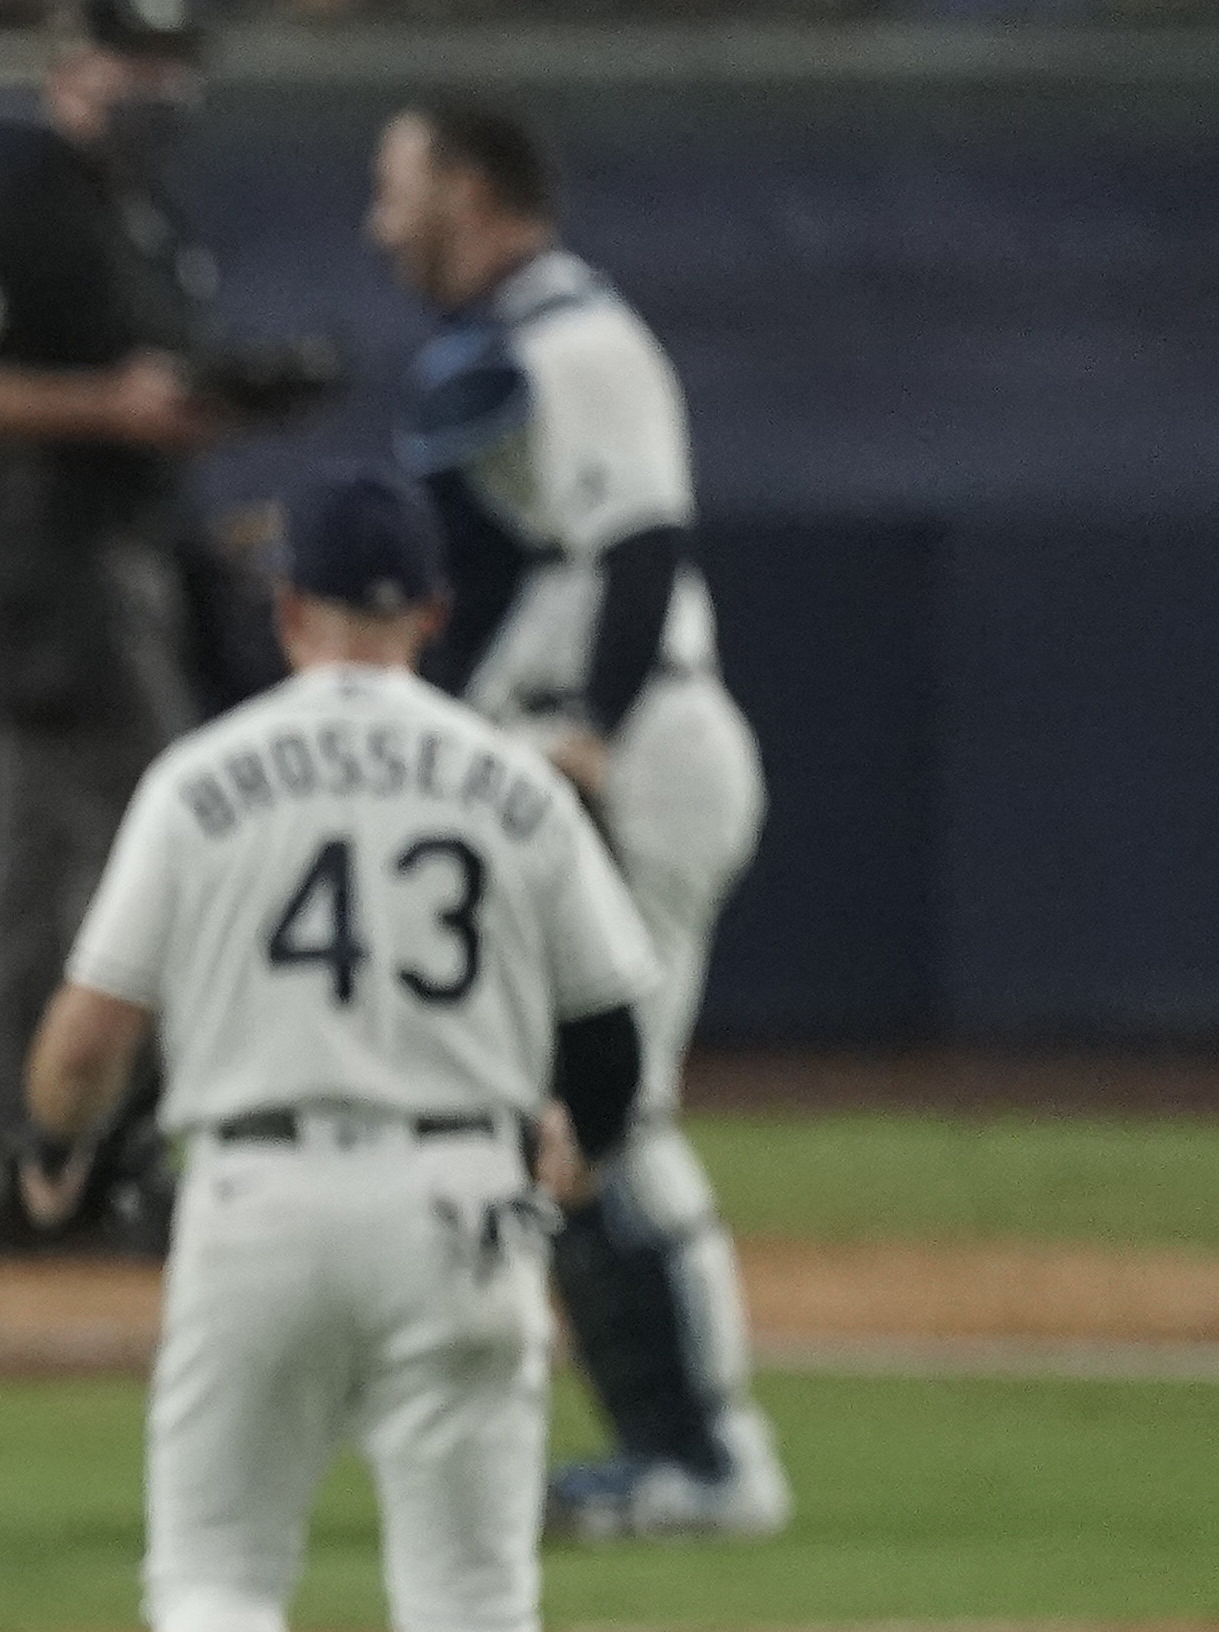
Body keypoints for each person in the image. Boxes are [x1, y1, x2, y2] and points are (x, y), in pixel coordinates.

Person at [9, 468, 657, 1632]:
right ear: (433, 616)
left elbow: (88, 1037)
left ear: (290, 610)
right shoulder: (513, 784)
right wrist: (579, 1135)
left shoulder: (204, 776)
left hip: (260, 1199)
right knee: (473, 1613)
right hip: (462, 1199)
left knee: (214, 1575)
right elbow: (611, 1027)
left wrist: (53, 1155)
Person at [372, 99, 784, 1542]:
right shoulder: (499, 350)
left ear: (473, 195)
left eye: (399, 189)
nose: (380, 221)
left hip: (636, 741)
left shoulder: (580, 340)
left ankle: (712, 1459)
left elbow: (643, 543)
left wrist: (593, 737)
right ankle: (654, 1448)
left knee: (613, 1110)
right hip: (555, 752)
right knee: (549, 1113)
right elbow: (490, 591)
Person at [0, 0, 223, 1255]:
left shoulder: (136, 214)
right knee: (145, 860)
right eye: (130, 61)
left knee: (44, 884)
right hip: (46, 576)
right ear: (69, 72)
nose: (153, 87)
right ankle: (67, 1166)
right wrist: (105, 410)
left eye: (169, 65)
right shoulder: (17, 200)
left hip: (113, 559)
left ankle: (20, 1173)